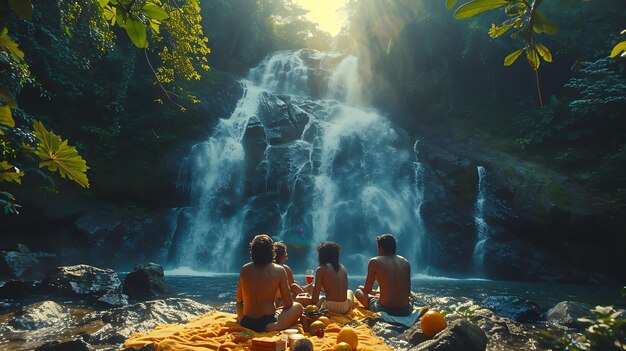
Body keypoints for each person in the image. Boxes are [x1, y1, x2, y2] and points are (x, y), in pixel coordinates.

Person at [236, 234, 303, 332]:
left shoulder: (244, 269)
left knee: (238, 304)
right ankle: (271, 327)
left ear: (252, 251)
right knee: (298, 307)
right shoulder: (279, 270)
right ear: (272, 251)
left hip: (246, 321)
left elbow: (239, 301)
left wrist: (242, 319)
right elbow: (289, 303)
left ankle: (243, 322)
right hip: (267, 322)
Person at [355, 234, 412, 316]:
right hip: (405, 310)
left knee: (358, 292)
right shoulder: (405, 262)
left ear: (380, 248)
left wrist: (362, 287)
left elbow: (367, 290)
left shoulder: (374, 261)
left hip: (384, 309)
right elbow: (407, 292)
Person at [311, 241, 354, 314]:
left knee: (317, 293)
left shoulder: (321, 269)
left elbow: (315, 299)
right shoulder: (343, 268)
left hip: (329, 308)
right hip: (344, 308)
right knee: (349, 291)